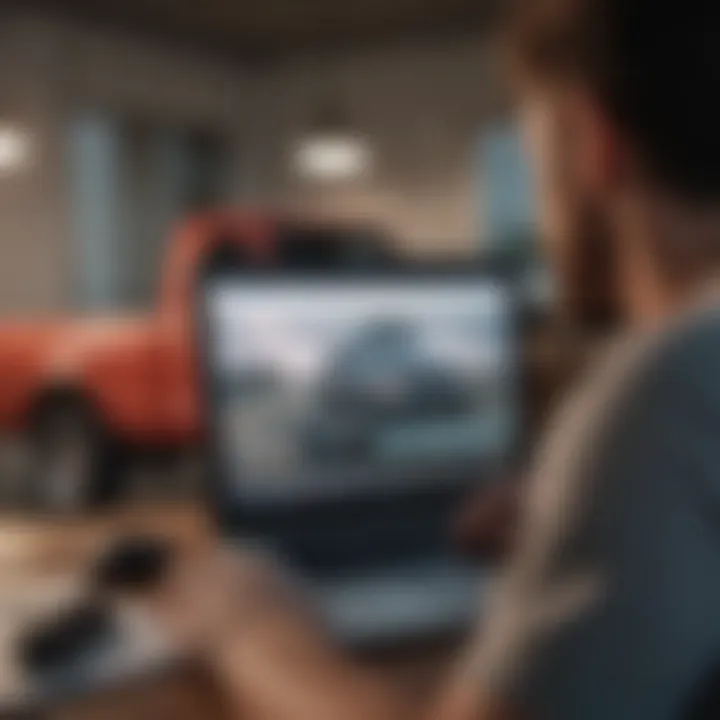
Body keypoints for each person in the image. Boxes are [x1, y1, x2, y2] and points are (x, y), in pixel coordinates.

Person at [141, 1, 720, 717]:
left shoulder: (661, 390)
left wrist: (250, 628)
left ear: (594, 142)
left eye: (536, 159)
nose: (542, 214)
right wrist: (587, 520)